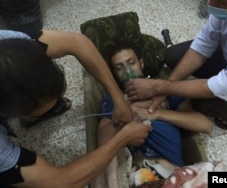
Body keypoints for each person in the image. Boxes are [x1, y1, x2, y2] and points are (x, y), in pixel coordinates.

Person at [0, 30, 152, 187]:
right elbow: (58, 182)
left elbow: (77, 42)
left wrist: (119, 99)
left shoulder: (13, 46)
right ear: (7, 112)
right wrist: (122, 139)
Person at [93, 42, 213, 188]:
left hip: (172, 175)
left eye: (131, 63)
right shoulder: (114, 99)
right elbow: (103, 138)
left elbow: (205, 125)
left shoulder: (163, 90)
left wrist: (156, 113)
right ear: (114, 73)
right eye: (119, 67)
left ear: (141, 63)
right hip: (136, 176)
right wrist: (126, 109)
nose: (128, 71)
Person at [126, 0, 227, 130]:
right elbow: (203, 44)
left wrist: (160, 89)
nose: (211, 5)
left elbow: (220, 88)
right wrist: (165, 87)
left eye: (221, 4)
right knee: (172, 56)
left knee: (203, 104)